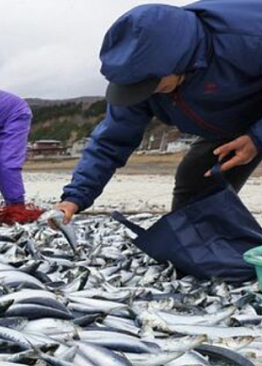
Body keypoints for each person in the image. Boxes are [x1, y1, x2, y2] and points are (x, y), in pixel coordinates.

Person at [54, 1, 262, 224]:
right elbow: (111, 140)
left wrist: (257, 138)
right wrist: (75, 196)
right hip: (230, 120)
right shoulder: (136, 77)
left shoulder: (248, 38)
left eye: (155, 85)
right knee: (195, 187)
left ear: (181, 62)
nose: (149, 92)